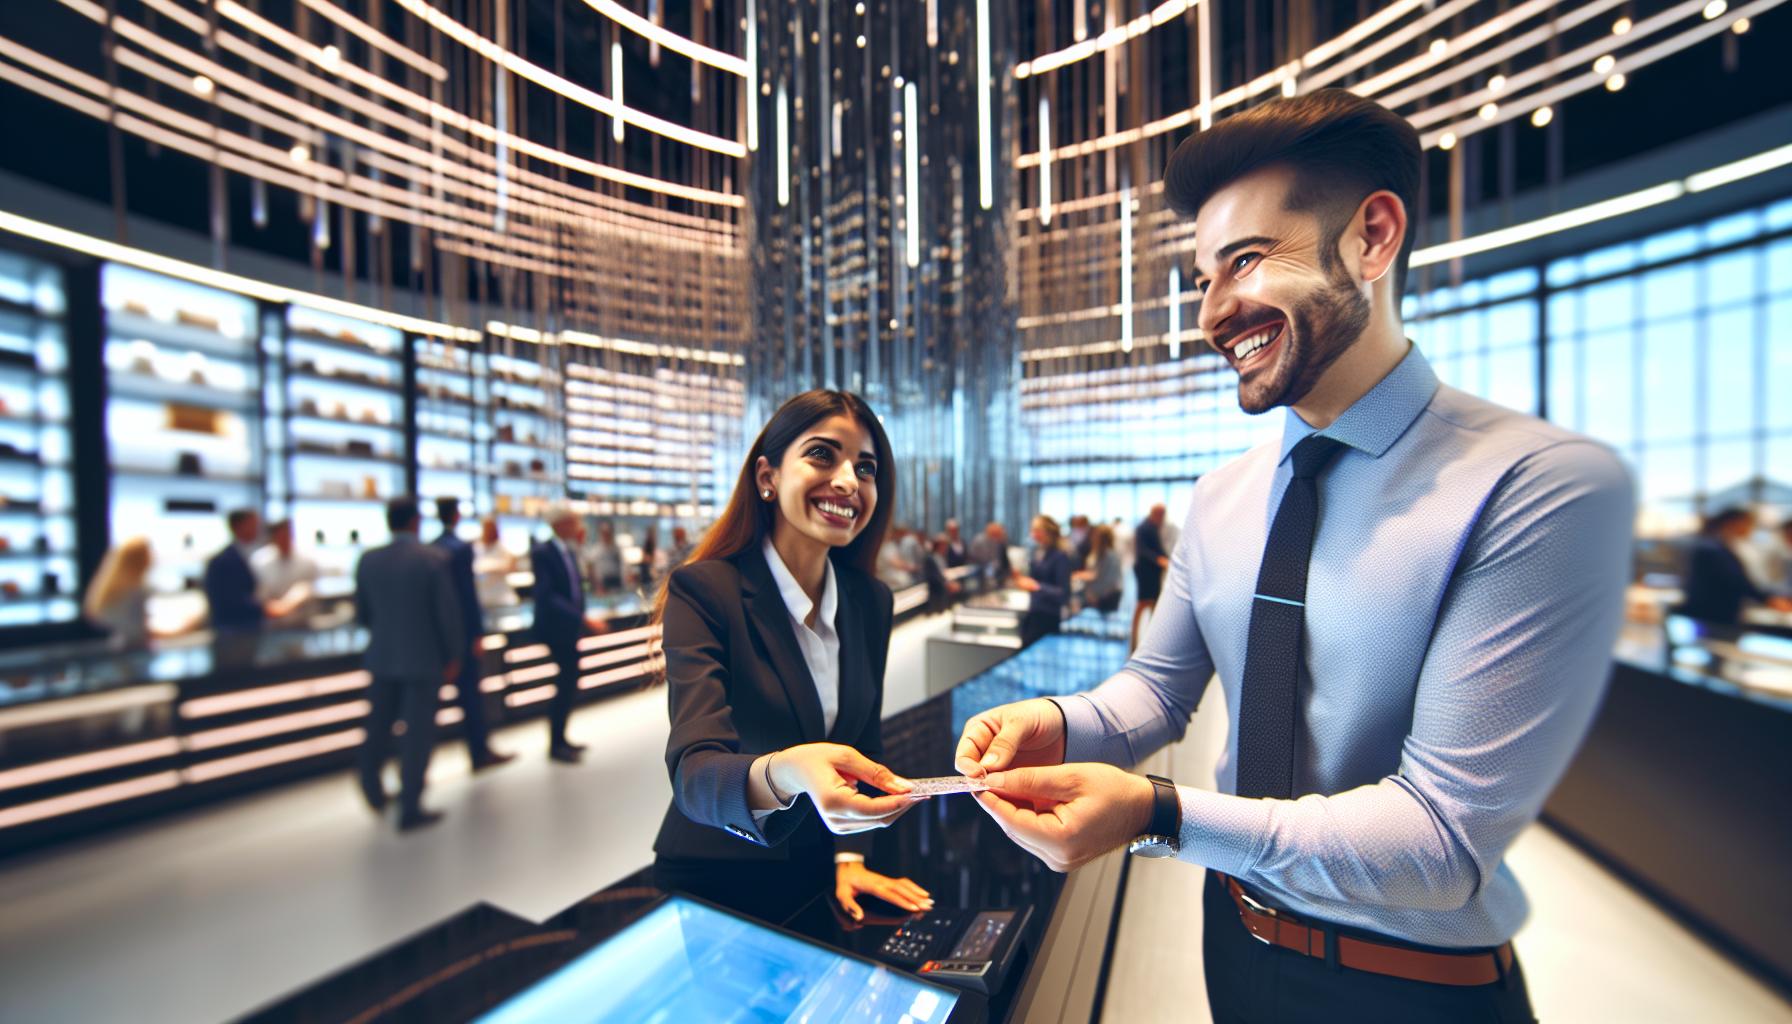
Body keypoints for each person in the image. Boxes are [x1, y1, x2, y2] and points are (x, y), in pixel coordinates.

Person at [953, 91, 1637, 1023]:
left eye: (1245, 260)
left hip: (1410, 987)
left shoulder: (1539, 485)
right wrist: (1054, 719)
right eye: (1201, 279)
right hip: (1234, 934)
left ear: (1373, 239)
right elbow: (1157, 691)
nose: (1214, 313)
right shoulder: (1222, 496)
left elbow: (1440, 841)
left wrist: (1160, 814)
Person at [653, 390, 933, 927]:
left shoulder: (870, 601)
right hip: (716, 878)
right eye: (823, 455)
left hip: (816, 870)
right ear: (768, 475)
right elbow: (693, 774)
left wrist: (850, 855)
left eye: (866, 468)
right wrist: (788, 771)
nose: (849, 481)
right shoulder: (705, 591)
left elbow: (861, 741)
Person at [354, 498, 464, 831]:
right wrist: (454, 654)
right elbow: (447, 613)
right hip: (423, 658)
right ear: (416, 522)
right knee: (417, 733)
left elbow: (363, 613)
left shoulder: (368, 560)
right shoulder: (432, 559)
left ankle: (372, 788)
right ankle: (410, 806)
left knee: (377, 727)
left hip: (383, 657)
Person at [434, 498, 514, 771]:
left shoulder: (432, 548)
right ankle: (479, 751)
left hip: (436, 633)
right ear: (456, 515)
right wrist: (476, 634)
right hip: (462, 633)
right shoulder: (460, 549)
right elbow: (467, 596)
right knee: (470, 695)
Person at [531, 502, 610, 762]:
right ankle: (556, 744)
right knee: (566, 681)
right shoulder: (543, 551)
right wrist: (582, 618)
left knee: (569, 681)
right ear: (561, 524)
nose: (578, 526)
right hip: (556, 628)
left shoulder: (570, 550)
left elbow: (576, 585)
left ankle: (561, 739)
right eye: (574, 521)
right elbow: (547, 594)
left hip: (569, 627)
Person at [1674, 507, 1792, 625]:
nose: (1750, 529)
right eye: (1748, 524)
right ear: (1734, 523)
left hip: (1712, 612)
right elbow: (1736, 580)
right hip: (1712, 615)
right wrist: (1768, 599)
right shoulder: (1712, 548)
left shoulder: (1718, 545)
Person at [84, 536, 155, 649]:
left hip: (119, 646)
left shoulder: (114, 587)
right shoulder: (136, 590)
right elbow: (138, 630)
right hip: (134, 651)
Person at [1013, 515, 1072, 647]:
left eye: (1035, 531)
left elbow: (1064, 594)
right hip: (1035, 613)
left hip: (1048, 618)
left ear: (1046, 532)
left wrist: (1038, 587)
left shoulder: (1059, 556)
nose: (1032, 535)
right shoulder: (1039, 552)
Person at [205, 508, 267, 634]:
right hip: (233, 632)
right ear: (237, 526)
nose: (258, 528)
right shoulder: (223, 560)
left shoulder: (244, 555)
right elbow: (234, 600)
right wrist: (266, 609)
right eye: (253, 523)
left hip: (246, 631)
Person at [252, 518, 319, 630]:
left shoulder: (307, 560)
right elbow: (259, 594)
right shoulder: (260, 561)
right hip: (272, 626)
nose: (284, 539)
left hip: (302, 623)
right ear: (272, 537)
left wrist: (285, 605)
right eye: (280, 535)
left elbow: (308, 588)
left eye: (287, 534)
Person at [1130, 503, 1170, 649]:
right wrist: (1159, 559)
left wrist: (1166, 559)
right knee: (1142, 603)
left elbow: (1158, 549)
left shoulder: (1153, 528)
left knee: (1154, 603)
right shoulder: (1143, 528)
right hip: (1145, 572)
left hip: (1154, 572)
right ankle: (1134, 641)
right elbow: (1144, 550)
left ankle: (1152, 641)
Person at [1073, 523, 1123, 614]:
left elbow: (1105, 578)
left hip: (1105, 596)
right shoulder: (1099, 553)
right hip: (1100, 595)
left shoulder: (1108, 555)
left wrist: (1097, 598)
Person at [472, 516, 518, 608]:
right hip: (483, 598)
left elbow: (509, 567)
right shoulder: (477, 548)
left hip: (502, 597)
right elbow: (475, 568)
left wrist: (486, 567)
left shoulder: (502, 547)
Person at [968, 521, 1012, 588]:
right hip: (977, 571)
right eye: (997, 533)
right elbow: (973, 557)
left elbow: (997, 560)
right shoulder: (979, 540)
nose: (998, 536)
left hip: (991, 571)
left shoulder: (996, 542)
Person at [586, 520, 625, 594]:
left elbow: (623, 568)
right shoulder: (596, 551)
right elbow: (590, 569)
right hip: (602, 585)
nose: (606, 535)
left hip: (617, 584)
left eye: (608, 533)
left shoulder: (617, 549)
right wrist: (597, 585)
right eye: (604, 533)